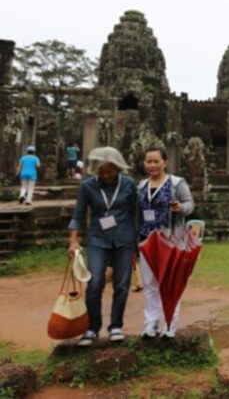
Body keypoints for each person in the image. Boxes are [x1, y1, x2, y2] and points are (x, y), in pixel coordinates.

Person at [67, 147, 138, 346]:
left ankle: (116, 326)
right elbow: (78, 215)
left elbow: (137, 212)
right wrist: (74, 241)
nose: (106, 175)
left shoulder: (129, 184)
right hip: (98, 238)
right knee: (95, 281)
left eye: (110, 171)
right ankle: (92, 327)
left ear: (117, 168)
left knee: (122, 284)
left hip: (125, 237)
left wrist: (140, 241)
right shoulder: (87, 186)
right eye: (102, 172)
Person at [137, 146, 194, 339]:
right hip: (147, 240)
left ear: (165, 162)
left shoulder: (177, 183)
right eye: (148, 161)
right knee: (150, 283)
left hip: (170, 239)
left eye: (156, 161)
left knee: (170, 283)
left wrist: (180, 207)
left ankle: (170, 322)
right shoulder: (142, 186)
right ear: (144, 164)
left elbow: (190, 204)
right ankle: (150, 323)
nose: (152, 165)